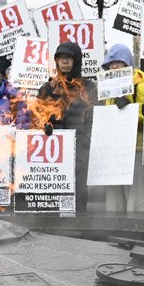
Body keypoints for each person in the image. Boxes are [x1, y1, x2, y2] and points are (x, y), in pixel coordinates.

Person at [97, 42, 144, 213]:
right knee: (114, 199)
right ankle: (113, 227)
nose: (113, 67)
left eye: (117, 62)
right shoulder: (107, 87)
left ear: (127, 63)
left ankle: (139, 226)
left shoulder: (140, 85)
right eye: (110, 64)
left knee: (137, 196)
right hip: (114, 150)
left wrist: (130, 110)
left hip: (136, 149)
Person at [39, 41, 93, 209]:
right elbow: (36, 115)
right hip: (55, 149)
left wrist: (87, 140)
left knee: (79, 189)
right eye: (60, 58)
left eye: (68, 58)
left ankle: (81, 221)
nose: (64, 61)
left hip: (81, 147)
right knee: (55, 191)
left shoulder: (89, 87)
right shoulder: (48, 88)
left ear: (76, 60)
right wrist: (45, 125)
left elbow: (96, 116)